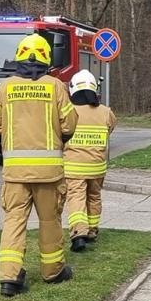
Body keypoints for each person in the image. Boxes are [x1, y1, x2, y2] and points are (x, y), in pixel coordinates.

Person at [0, 33, 79, 296]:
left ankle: (9, 277)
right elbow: (69, 124)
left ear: (18, 56)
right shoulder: (55, 86)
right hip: (49, 173)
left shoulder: (6, 88)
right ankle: (53, 272)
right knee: (50, 221)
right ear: (46, 57)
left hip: (15, 173)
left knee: (14, 221)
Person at [63, 69, 118, 252]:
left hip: (73, 167)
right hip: (97, 166)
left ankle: (79, 233)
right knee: (94, 197)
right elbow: (110, 127)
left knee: (76, 198)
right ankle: (92, 230)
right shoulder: (105, 111)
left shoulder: (69, 110)